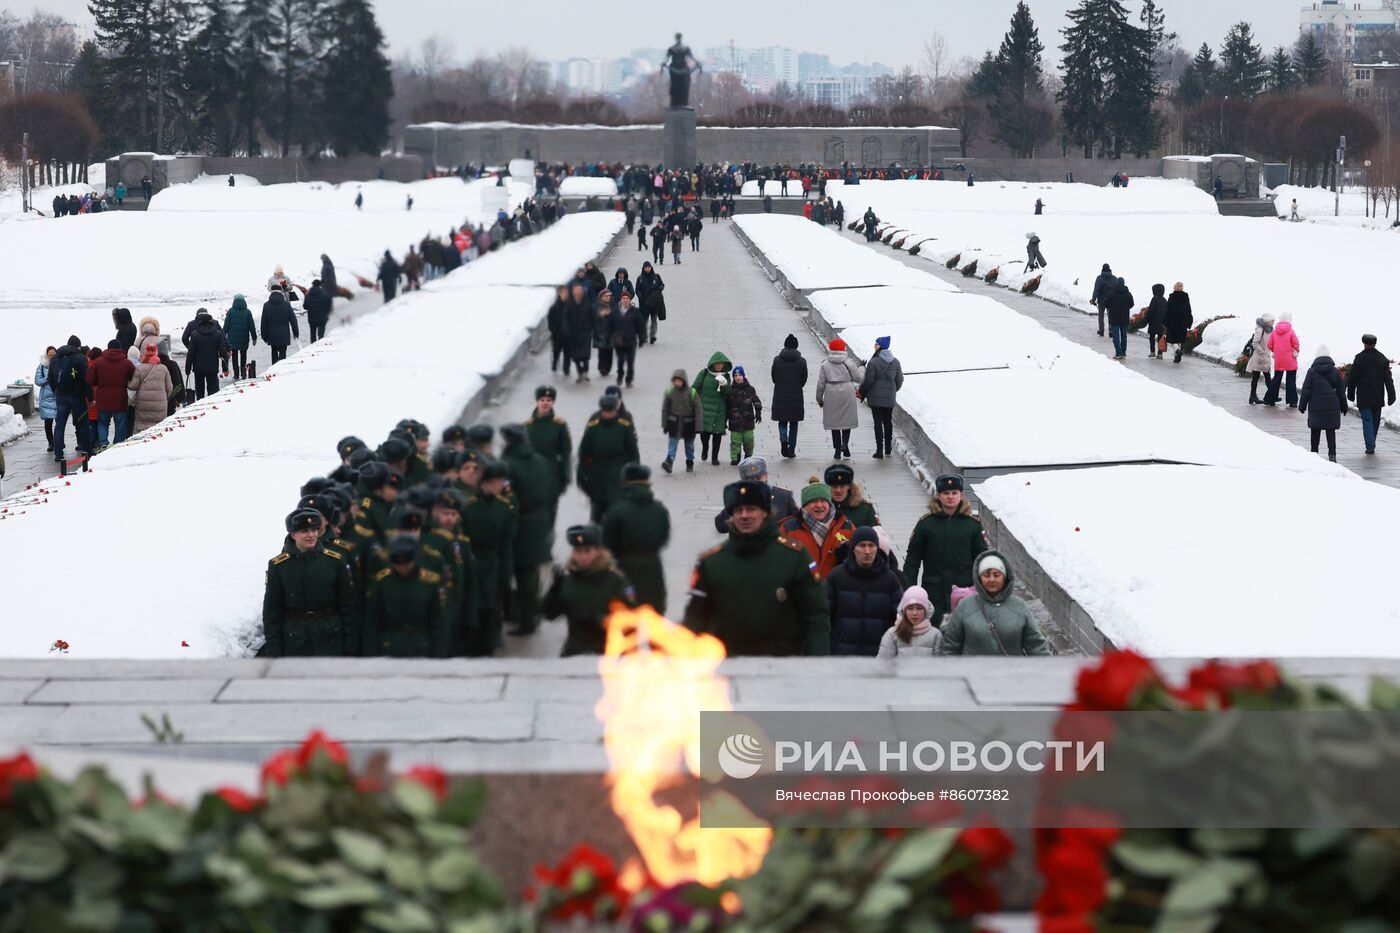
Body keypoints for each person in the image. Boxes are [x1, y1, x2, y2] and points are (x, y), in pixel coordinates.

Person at [684, 481, 830, 657]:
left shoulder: (794, 557)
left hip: (783, 665)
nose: (744, 516)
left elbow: (816, 617)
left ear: (766, 513)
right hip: (729, 665)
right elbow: (695, 619)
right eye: (738, 510)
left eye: (751, 509)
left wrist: (818, 665)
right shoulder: (713, 562)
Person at [262, 509, 357, 657]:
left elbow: (348, 606)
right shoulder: (279, 565)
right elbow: (272, 611)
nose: (311, 535)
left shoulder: (335, 561)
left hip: (330, 636)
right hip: (295, 639)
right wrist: (274, 650)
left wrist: (350, 644)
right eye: (304, 531)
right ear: (293, 535)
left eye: (314, 529)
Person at [542, 524, 636, 657]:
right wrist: (554, 593)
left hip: (609, 652)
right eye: (578, 551)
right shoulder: (567, 579)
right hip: (575, 650)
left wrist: (600, 620)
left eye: (587, 551)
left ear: (598, 551)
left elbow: (631, 621)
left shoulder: (616, 581)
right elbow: (549, 615)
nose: (583, 557)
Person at [904, 474, 988, 621]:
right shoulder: (926, 524)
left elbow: (982, 560)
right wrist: (910, 590)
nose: (950, 497)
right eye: (946, 493)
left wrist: (984, 590)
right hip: (934, 592)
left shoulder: (972, 525)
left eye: (954, 493)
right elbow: (913, 560)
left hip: (965, 593)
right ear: (939, 495)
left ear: (961, 495)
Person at [500, 423, 557, 637]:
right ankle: (532, 612)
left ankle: (525, 618)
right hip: (540, 519)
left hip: (520, 522)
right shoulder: (541, 460)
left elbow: (506, 496)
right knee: (531, 572)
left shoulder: (508, 464)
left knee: (520, 573)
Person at [940, 551, 1050, 656]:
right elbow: (950, 648)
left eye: (997, 575)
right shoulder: (965, 606)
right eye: (986, 575)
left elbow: (1036, 646)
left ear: (1005, 577)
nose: (991, 579)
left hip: (1011, 674)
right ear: (979, 578)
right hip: (973, 674)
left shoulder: (1020, 606)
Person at [463, 459, 517, 655]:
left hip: (494, 562)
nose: (500, 486)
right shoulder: (468, 507)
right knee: (475, 605)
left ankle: (490, 641)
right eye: (496, 482)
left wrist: (507, 571)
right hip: (474, 561)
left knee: (493, 606)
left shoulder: (504, 507)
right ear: (485, 482)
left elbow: (506, 542)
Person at [363, 535, 450, 657]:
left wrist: (439, 655)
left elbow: (439, 624)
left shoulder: (431, 582)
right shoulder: (382, 582)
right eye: (398, 562)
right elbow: (371, 623)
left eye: (407, 561)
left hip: (422, 646)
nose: (402, 566)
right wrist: (372, 655)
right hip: (389, 647)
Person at [826, 526, 905, 656]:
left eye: (871, 545)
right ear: (853, 548)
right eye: (862, 546)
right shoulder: (837, 577)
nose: (867, 551)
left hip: (879, 655)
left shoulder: (890, 579)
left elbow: (899, 617)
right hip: (843, 655)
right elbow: (825, 616)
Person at [602, 464, 671, 613]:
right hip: (654, 568)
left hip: (625, 568)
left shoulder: (616, 512)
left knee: (627, 612)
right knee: (653, 614)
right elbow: (664, 538)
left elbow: (607, 543)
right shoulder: (660, 510)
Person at [577, 392, 640, 523]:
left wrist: (634, 474)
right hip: (597, 476)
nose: (608, 414)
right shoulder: (593, 427)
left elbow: (633, 452)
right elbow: (584, 452)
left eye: (610, 411)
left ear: (615, 410)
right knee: (597, 513)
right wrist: (583, 474)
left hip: (618, 474)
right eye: (605, 410)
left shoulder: (624, 426)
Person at [780, 479, 858, 581]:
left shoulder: (845, 526)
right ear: (805, 506)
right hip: (800, 591)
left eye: (823, 501)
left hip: (834, 591)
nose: (819, 505)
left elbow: (860, 558)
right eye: (814, 501)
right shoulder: (788, 528)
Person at [525, 386, 572, 529]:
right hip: (532, 474)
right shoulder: (526, 426)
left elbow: (566, 452)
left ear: (553, 402)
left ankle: (547, 543)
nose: (545, 403)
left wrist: (565, 475)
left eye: (549, 400)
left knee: (550, 511)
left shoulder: (560, 425)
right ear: (537, 402)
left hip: (552, 472)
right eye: (542, 400)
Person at [712, 457, 798, 531]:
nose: (756, 482)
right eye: (751, 479)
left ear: (766, 476)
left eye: (758, 478)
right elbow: (721, 526)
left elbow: (798, 522)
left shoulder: (783, 495)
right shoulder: (739, 498)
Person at [1346, 334, 1396, 455]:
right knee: (1375, 421)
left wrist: (1350, 393)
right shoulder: (1382, 359)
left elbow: (1353, 378)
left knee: (1367, 421)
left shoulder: (1359, 358)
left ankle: (1370, 444)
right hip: (1377, 396)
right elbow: (1388, 379)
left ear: (1364, 343)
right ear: (1375, 343)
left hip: (1364, 396)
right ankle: (1371, 442)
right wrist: (1391, 395)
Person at [1299, 346, 1348, 462]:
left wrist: (1302, 405)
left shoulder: (1311, 372)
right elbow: (1341, 391)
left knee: (1315, 430)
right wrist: (1344, 406)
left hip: (1316, 406)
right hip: (1332, 406)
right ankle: (1332, 455)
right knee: (1330, 431)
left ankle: (1314, 454)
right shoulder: (1335, 371)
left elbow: (1306, 390)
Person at [816, 338, 862, 460]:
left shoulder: (825, 364)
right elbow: (858, 378)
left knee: (834, 423)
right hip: (847, 391)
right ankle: (845, 445)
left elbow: (821, 383)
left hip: (831, 392)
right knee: (847, 420)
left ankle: (837, 450)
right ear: (843, 349)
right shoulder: (849, 362)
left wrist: (819, 399)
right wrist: (862, 368)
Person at [49, 336, 92, 462]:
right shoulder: (80, 358)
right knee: (83, 422)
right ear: (78, 346)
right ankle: (87, 449)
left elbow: (50, 378)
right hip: (77, 396)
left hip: (61, 396)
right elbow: (86, 380)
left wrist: (56, 391)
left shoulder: (56, 358)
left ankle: (58, 452)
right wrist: (90, 397)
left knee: (60, 424)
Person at [859, 336, 902, 459]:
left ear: (880, 346)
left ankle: (879, 450)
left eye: (876, 344)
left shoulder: (873, 362)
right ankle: (888, 449)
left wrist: (862, 392)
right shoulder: (896, 362)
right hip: (889, 397)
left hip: (875, 398)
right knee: (888, 422)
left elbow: (868, 381)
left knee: (878, 423)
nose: (874, 346)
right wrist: (892, 391)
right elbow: (899, 380)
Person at [87, 339, 136, 447]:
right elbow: (134, 378)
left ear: (108, 348)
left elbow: (89, 379)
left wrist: (98, 382)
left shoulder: (98, 362)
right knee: (120, 424)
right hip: (120, 399)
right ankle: (117, 445)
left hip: (103, 399)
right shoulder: (127, 363)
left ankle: (103, 443)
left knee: (103, 423)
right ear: (120, 348)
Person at [877, 586, 942, 658]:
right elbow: (883, 665)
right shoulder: (892, 634)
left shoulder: (936, 635)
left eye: (919, 608)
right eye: (910, 608)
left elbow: (941, 665)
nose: (914, 613)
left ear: (925, 611)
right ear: (904, 611)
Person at [771, 334, 808, 459]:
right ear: (796, 346)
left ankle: (783, 440)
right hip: (796, 396)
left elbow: (774, 377)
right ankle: (791, 450)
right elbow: (804, 379)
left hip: (780, 394)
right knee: (794, 424)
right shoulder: (802, 361)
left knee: (782, 421)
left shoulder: (777, 360)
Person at [693, 351, 733, 466]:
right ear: (713, 363)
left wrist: (725, 383)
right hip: (704, 407)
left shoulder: (726, 376)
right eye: (717, 363)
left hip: (719, 410)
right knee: (705, 433)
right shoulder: (704, 373)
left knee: (717, 434)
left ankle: (714, 457)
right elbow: (695, 387)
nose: (720, 366)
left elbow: (728, 392)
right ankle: (705, 448)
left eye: (721, 364)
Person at [661, 368, 703, 473]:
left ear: (684, 380)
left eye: (679, 381)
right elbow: (665, 409)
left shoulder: (692, 392)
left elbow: (698, 410)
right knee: (672, 443)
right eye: (675, 381)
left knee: (689, 445)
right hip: (674, 424)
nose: (677, 383)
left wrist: (699, 427)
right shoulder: (670, 392)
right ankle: (669, 461)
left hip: (689, 424)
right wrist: (665, 424)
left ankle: (689, 461)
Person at [128, 343, 173, 434]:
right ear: (156, 353)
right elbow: (170, 388)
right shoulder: (163, 368)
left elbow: (133, 386)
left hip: (143, 404)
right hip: (160, 404)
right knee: (158, 429)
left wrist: (127, 382)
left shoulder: (140, 368)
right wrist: (163, 397)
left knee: (142, 427)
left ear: (145, 353)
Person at [1263, 311, 1300, 407]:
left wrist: (1276, 351)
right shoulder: (1291, 331)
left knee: (1276, 379)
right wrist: (1296, 351)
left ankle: (1269, 399)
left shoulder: (1275, 331)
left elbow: (1269, 344)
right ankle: (1292, 402)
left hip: (1279, 359)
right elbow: (1296, 343)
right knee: (1291, 380)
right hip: (1290, 359)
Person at [726, 366, 762, 465]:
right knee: (735, 441)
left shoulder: (750, 389)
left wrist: (758, 411)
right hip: (735, 421)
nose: (738, 377)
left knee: (749, 440)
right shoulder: (730, 390)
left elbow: (756, 400)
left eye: (740, 375)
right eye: (736, 376)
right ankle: (735, 457)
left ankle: (748, 455)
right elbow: (726, 405)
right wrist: (724, 419)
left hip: (748, 421)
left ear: (743, 376)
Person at [825, 463, 879, 528]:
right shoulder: (821, 508)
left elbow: (876, 534)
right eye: (834, 486)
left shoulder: (865, 509)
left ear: (849, 486)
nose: (838, 490)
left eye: (842, 486)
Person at [614, 291, 646, 389]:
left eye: (627, 298)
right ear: (621, 299)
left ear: (630, 300)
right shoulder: (615, 310)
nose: (625, 300)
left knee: (630, 362)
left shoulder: (635, 311)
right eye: (624, 298)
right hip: (619, 341)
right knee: (620, 361)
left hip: (631, 340)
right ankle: (620, 374)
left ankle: (629, 379)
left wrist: (641, 338)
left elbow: (640, 326)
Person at [223, 295, 258, 379]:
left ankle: (236, 374)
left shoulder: (230, 312)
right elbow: (251, 326)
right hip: (244, 337)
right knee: (243, 354)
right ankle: (243, 372)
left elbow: (226, 325)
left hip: (232, 338)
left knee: (234, 356)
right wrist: (254, 337)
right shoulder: (247, 312)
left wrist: (222, 336)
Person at [261, 289, 298, 365]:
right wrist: (296, 333)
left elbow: (263, 322)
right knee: (283, 351)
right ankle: (281, 367)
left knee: (274, 351)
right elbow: (293, 320)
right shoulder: (286, 304)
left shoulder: (266, 305)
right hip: (284, 333)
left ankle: (274, 368)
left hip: (271, 334)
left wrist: (264, 336)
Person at [566, 282, 594, 382]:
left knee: (585, 354)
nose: (578, 292)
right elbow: (566, 319)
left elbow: (592, 318)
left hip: (585, 332)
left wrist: (594, 329)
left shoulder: (587, 304)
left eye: (579, 290)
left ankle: (586, 371)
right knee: (576, 355)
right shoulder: (569, 304)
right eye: (576, 290)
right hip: (573, 333)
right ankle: (580, 373)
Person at [1246, 314, 1275, 404]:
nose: (1273, 322)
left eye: (1273, 321)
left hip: (1265, 357)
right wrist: (1262, 352)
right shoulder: (1260, 329)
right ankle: (1256, 397)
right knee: (1257, 377)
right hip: (1259, 357)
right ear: (1266, 321)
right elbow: (1255, 343)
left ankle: (1269, 397)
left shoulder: (1271, 330)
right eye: (1271, 321)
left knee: (1266, 377)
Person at [1105, 276, 1134, 361]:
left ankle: (1118, 353)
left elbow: (1105, 303)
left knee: (1116, 336)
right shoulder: (1128, 293)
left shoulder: (1112, 292)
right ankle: (1123, 352)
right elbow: (1132, 304)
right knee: (1124, 335)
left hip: (1114, 317)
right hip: (1124, 317)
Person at [636, 261, 665, 345]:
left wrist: (659, 288)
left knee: (654, 320)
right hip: (644, 303)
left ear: (651, 268)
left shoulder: (656, 277)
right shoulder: (640, 278)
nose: (647, 269)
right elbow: (637, 289)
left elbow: (662, 285)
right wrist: (640, 297)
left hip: (654, 303)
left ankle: (652, 336)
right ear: (643, 269)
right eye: (645, 268)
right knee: (644, 321)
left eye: (648, 267)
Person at [1164, 282, 1194, 364]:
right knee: (1180, 339)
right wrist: (1189, 321)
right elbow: (1189, 309)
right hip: (1183, 321)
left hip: (1173, 321)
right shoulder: (1185, 297)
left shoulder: (1172, 297)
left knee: (1173, 340)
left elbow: (1168, 310)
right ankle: (1177, 358)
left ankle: (1177, 351)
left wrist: (1165, 322)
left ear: (1174, 288)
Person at [36, 347, 57, 452]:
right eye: (50, 355)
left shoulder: (60, 365)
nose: (52, 357)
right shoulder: (42, 366)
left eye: (54, 355)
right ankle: (51, 443)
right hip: (46, 399)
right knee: (48, 423)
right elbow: (38, 381)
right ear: (47, 355)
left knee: (59, 423)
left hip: (58, 397)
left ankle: (58, 442)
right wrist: (48, 377)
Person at [547, 285, 571, 374]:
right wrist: (554, 331)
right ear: (559, 294)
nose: (565, 294)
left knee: (567, 353)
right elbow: (550, 322)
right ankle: (554, 363)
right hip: (557, 335)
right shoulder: (554, 307)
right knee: (556, 351)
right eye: (563, 293)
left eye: (566, 293)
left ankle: (566, 368)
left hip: (568, 335)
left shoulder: (570, 306)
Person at [1090, 263, 1115, 338]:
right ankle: (1111, 330)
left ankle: (1101, 330)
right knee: (1111, 316)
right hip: (1111, 301)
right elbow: (1116, 290)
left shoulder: (1099, 278)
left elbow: (1096, 290)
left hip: (1101, 301)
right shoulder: (1114, 278)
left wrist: (1093, 300)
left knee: (1101, 316)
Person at [1145, 284, 1169, 360]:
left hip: (1153, 322)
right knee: (1160, 338)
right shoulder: (1164, 300)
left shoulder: (1154, 299)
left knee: (1151, 337)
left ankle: (1152, 352)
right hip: (1162, 323)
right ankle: (1160, 353)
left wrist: (1146, 319)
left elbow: (1151, 311)